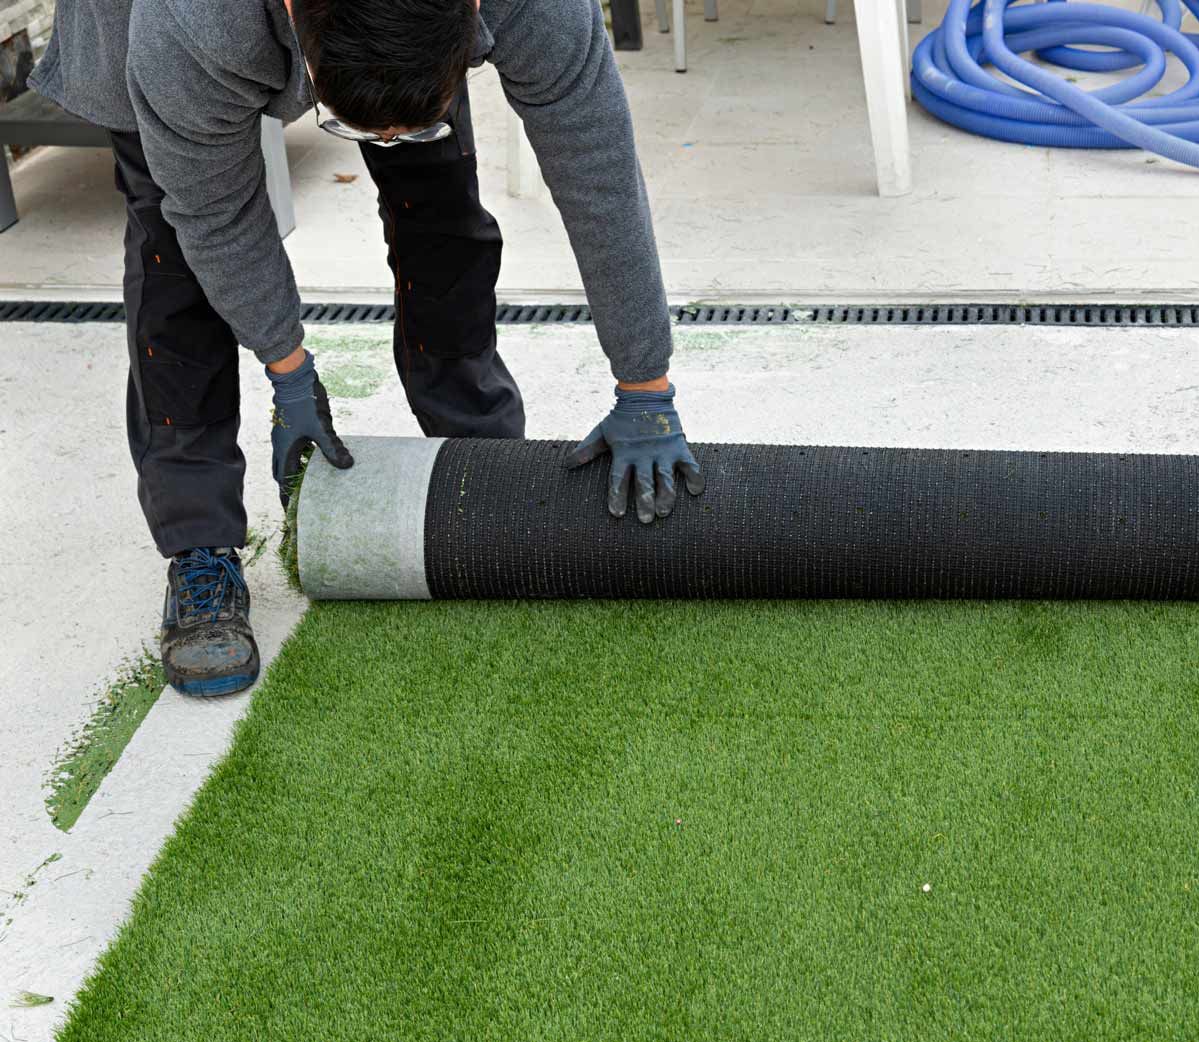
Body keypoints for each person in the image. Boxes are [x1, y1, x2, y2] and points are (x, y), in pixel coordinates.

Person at [30, 0, 701, 697]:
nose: (377, 140)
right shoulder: (191, 25)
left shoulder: (534, 7)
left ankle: (475, 456)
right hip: (146, 27)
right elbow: (213, 212)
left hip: (387, 31)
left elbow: (596, 162)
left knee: (440, 208)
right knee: (176, 263)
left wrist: (645, 384)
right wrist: (287, 365)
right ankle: (200, 542)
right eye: (351, 125)